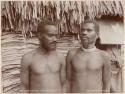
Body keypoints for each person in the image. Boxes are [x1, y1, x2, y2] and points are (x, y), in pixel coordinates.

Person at [20, 20, 66, 93]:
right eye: (50, 35)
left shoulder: (60, 57)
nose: (55, 39)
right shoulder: (28, 58)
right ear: (39, 35)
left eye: (56, 36)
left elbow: (64, 85)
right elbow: (24, 88)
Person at [66, 20, 111, 93]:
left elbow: (106, 83)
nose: (84, 33)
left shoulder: (104, 56)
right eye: (82, 30)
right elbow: (68, 81)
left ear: (97, 35)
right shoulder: (72, 54)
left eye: (89, 30)